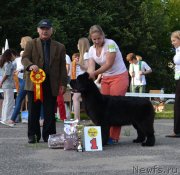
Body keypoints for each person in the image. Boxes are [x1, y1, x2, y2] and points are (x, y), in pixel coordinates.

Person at [21, 19, 67, 143]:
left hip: (52, 83)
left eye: (47, 29)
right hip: (34, 83)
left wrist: (63, 84)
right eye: (42, 28)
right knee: (33, 111)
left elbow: (63, 67)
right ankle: (33, 136)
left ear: (51, 30)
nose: (44, 31)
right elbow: (24, 58)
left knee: (50, 112)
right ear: (38, 30)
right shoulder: (31, 43)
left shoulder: (60, 46)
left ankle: (49, 136)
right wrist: (30, 66)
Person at [87, 25, 129, 144]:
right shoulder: (91, 49)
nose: (97, 41)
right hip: (106, 78)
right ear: (91, 38)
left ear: (103, 35)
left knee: (116, 107)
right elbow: (91, 66)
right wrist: (90, 75)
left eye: (99, 38)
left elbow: (109, 64)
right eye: (94, 39)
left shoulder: (111, 44)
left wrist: (94, 73)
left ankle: (114, 137)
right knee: (103, 108)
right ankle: (104, 136)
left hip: (119, 76)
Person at [7, 36, 32, 125]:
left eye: (21, 42)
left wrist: (19, 70)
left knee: (19, 99)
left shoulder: (24, 53)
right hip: (25, 79)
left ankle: (13, 119)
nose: (20, 43)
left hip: (25, 79)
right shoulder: (31, 53)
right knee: (35, 99)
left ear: (25, 43)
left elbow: (23, 66)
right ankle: (41, 118)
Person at [71, 37, 90, 121]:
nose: (77, 45)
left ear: (81, 45)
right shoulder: (84, 55)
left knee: (75, 98)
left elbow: (87, 67)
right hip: (82, 80)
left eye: (78, 44)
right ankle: (77, 118)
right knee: (76, 98)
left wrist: (78, 63)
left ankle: (76, 119)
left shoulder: (86, 54)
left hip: (83, 80)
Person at [166, 30, 180, 138]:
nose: (172, 43)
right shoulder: (177, 50)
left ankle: (177, 131)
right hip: (178, 78)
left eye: (174, 40)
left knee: (178, 104)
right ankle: (177, 130)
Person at [0, 49, 17, 126]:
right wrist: (2, 82)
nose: (15, 57)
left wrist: (1, 82)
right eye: (14, 55)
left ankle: (4, 118)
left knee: (6, 102)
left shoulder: (4, 62)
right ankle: (7, 119)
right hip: (8, 84)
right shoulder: (9, 63)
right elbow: (7, 74)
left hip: (5, 85)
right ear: (11, 54)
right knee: (9, 102)